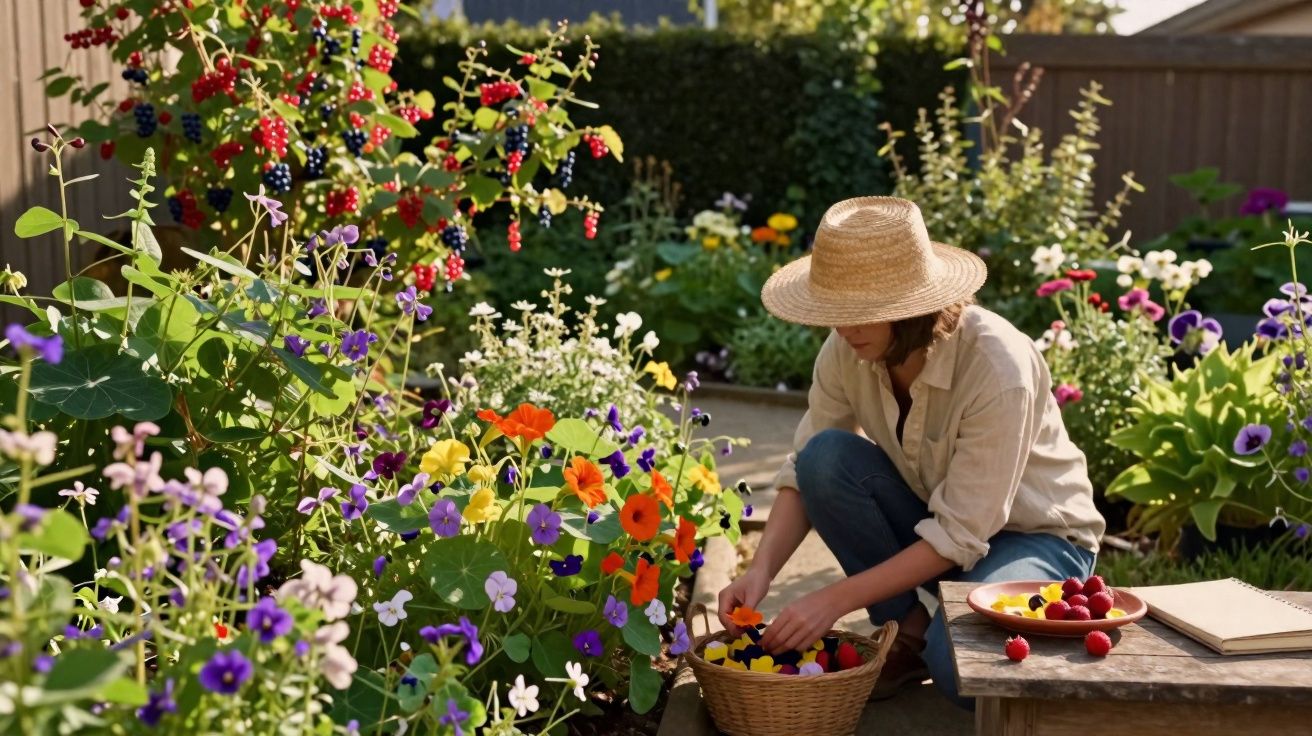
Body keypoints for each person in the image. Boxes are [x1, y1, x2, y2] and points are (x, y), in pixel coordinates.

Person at [716, 197, 1105, 708]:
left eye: (860, 314)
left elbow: (961, 531)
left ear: (914, 305)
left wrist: (832, 601)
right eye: (835, 313)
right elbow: (803, 468)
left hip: (1037, 537)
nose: (843, 329)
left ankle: (984, 628)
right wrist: (761, 570)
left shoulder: (996, 364)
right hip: (941, 523)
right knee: (825, 459)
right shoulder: (848, 348)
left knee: (964, 676)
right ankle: (911, 631)